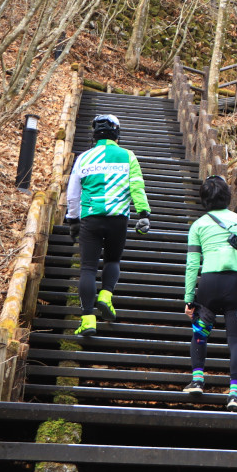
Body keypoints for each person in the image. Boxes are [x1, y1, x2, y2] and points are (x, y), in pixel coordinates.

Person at [63, 114, 151, 337]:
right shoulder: (127, 156)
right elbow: (137, 186)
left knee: (88, 269)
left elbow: (73, 194)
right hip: (118, 219)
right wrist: (143, 213)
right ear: (117, 133)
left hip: (91, 219)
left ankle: (87, 319)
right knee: (112, 260)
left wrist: (73, 220)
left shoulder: (84, 157)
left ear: (94, 134)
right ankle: (106, 296)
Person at [183, 175, 237, 412]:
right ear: (227, 196)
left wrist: (188, 298)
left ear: (204, 199)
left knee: (200, 333)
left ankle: (197, 380)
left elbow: (193, 264)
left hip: (209, 285)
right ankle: (235, 394)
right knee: (236, 341)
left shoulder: (198, 226)